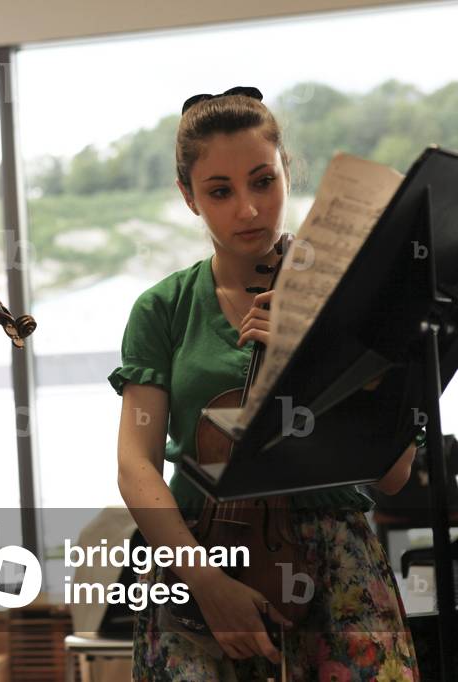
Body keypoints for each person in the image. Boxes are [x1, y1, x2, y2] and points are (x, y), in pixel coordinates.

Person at [111, 87, 421, 680]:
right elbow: (136, 466)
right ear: (188, 197)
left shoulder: (354, 298)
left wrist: (322, 350)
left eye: (263, 181)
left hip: (337, 564)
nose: (249, 210)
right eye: (220, 192)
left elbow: (394, 472)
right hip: (201, 560)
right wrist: (205, 583)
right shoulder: (163, 309)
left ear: (286, 172)